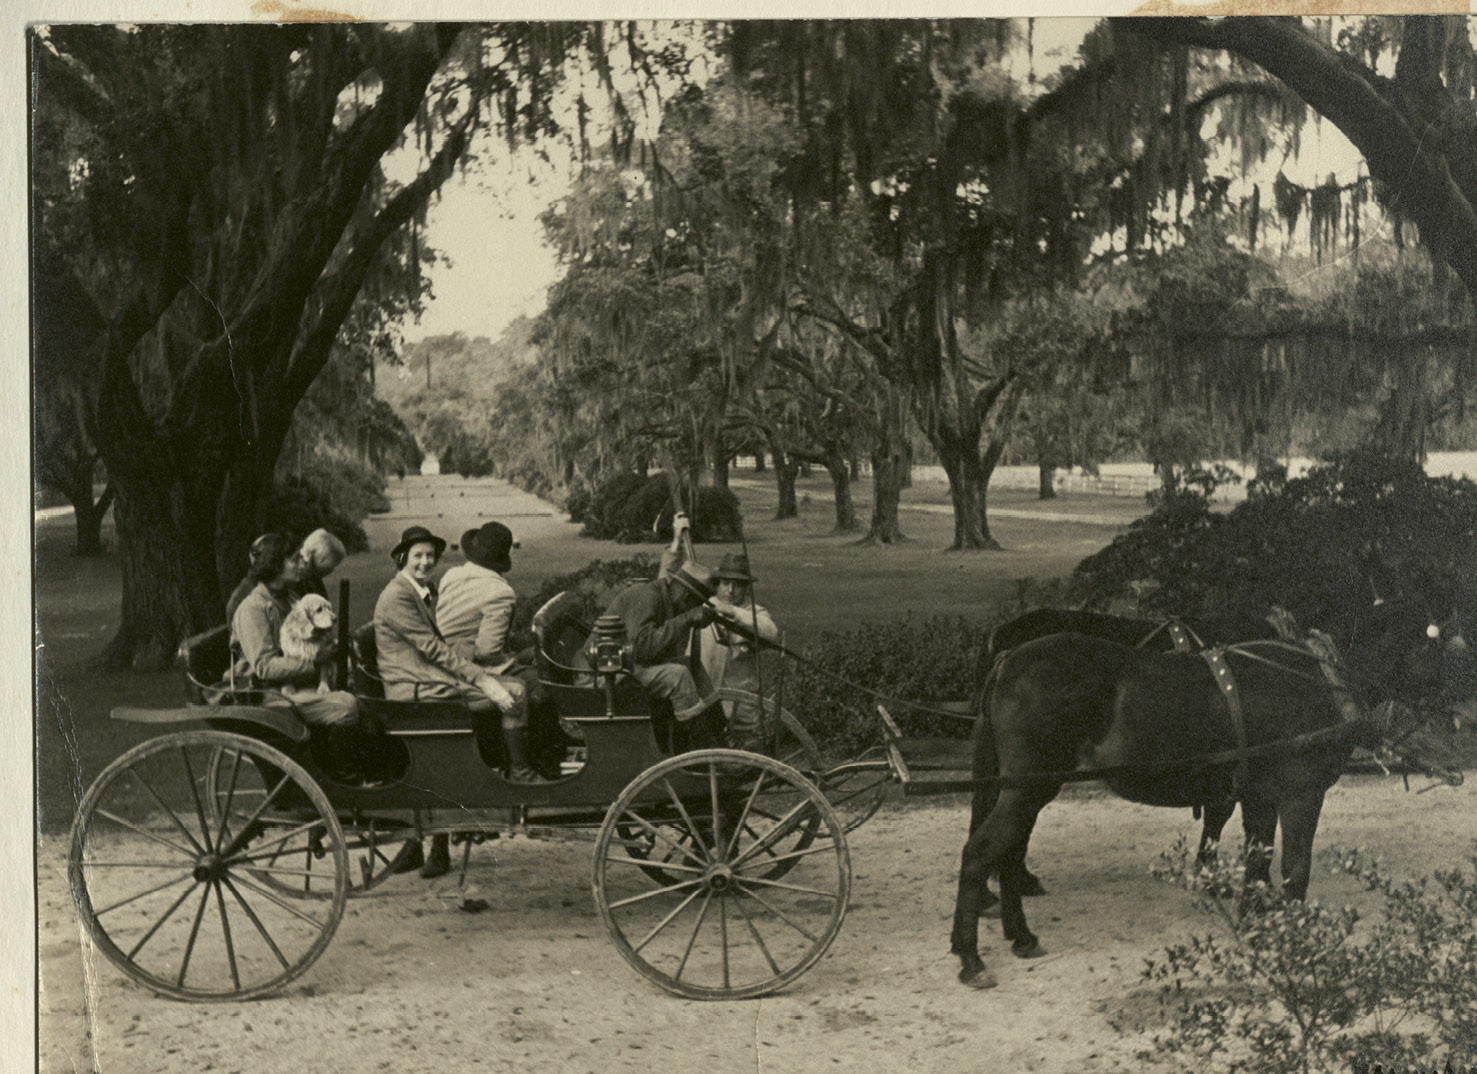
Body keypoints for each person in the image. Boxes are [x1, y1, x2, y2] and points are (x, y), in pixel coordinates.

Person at [230, 533, 372, 782]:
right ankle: (337, 777)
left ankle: (353, 767)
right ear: (275, 564)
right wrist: (314, 662)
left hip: (298, 684)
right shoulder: (253, 608)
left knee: (362, 689)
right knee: (346, 706)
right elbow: (264, 667)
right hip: (271, 695)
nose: (300, 564)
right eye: (294, 559)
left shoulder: (289, 597)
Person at [587, 551, 721, 733]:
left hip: (619, 665)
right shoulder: (648, 596)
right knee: (678, 676)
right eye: (695, 604)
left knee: (691, 664)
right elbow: (641, 649)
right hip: (602, 673)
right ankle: (693, 744)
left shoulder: (659, 597)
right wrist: (686, 619)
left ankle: (718, 730)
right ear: (687, 598)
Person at [701, 553, 781, 753]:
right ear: (717, 584)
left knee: (746, 754)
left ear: (746, 588)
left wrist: (733, 612)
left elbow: (771, 632)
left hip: (740, 709)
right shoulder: (703, 607)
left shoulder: (753, 612)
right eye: (726, 583)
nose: (730, 590)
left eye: (737, 584)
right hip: (704, 702)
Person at [225, 527, 347, 624]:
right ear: (275, 561)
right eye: (296, 559)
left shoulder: (287, 592)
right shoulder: (251, 601)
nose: (301, 564)